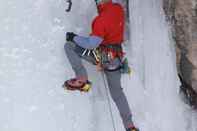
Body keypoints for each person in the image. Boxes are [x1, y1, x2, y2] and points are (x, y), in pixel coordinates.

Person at [64, 0, 139, 131]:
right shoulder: (118, 9)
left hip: (103, 56)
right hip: (116, 60)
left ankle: (82, 79)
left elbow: (91, 44)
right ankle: (130, 126)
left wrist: (74, 37)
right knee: (117, 94)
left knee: (69, 46)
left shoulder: (101, 20)